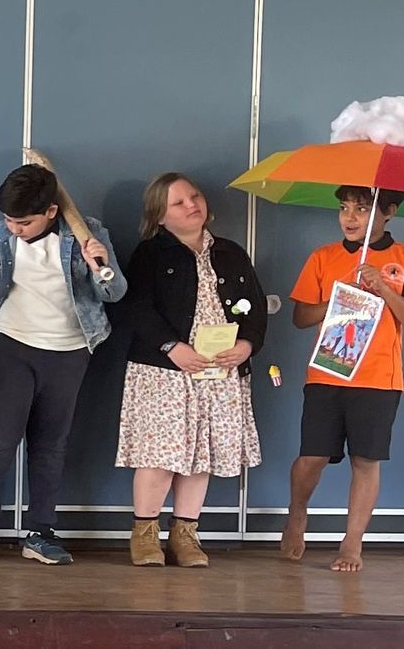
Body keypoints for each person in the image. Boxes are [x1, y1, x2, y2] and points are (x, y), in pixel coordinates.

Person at [0, 164, 124, 566]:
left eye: (24, 222)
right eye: (9, 219)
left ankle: (41, 532)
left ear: (50, 211)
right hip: (12, 344)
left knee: (51, 444)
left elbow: (115, 292)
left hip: (71, 349)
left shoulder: (87, 233)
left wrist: (101, 264)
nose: (14, 228)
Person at [116, 173, 265, 568]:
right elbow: (136, 308)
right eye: (178, 203)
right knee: (159, 456)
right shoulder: (150, 254)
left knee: (202, 455)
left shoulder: (231, 253)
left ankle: (185, 534)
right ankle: (145, 534)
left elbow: (255, 308)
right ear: (159, 216)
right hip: (163, 373)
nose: (191, 205)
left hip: (219, 373)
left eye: (194, 197)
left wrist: (246, 346)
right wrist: (171, 347)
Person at [284, 186, 404, 572]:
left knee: (366, 460)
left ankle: (352, 543)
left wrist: (382, 288)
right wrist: (338, 296)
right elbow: (300, 317)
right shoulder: (323, 257)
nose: (349, 217)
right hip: (328, 371)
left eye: (362, 209)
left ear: (389, 212)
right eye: (344, 208)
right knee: (312, 456)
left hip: (379, 378)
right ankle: (297, 512)